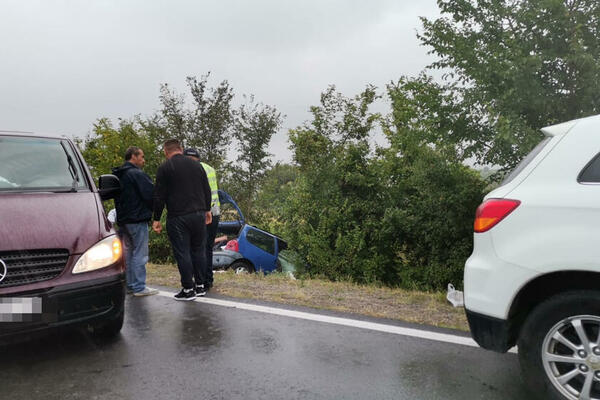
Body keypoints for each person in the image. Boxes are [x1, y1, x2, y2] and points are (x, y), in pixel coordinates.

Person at [152, 139, 212, 301]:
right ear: (181, 149)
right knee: (199, 250)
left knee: (182, 251)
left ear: (166, 151)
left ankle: (187, 289)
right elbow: (206, 188)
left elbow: (159, 195)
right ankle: (200, 286)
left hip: (179, 216)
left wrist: (156, 218)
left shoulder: (165, 167)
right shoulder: (197, 165)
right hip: (199, 213)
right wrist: (207, 209)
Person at [112, 146, 158, 297]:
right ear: (134, 156)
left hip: (124, 220)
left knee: (129, 253)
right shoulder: (136, 174)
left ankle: (130, 285)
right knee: (140, 253)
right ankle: (139, 286)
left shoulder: (119, 174)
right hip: (137, 219)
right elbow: (150, 194)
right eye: (142, 157)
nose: (143, 160)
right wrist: (154, 211)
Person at [183, 148, 221, 291]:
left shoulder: (191, 170)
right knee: (207, 248)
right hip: (215, 212)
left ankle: (199, 280)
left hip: (202, 212)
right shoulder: (210, 168)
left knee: (197, 248)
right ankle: (207, 280)